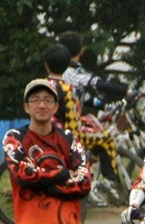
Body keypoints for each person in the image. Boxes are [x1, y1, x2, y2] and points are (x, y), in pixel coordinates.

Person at [1, 79, 91, 224]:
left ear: (55, 107)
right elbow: (22, 174)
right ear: (26, 107)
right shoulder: (14, 138)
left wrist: (43, 184)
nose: (41, 104)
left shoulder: (70, 140)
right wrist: (63, 175)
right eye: (35, 100)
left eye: (47, 100)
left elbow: (84, 183)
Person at [43, 43, 121, 201]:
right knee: (106, 139)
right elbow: (73, 124)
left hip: (44, 133)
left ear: (46, 65)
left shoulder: (41, 85)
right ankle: (109, 180)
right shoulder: (68, 89)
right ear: (67, 67)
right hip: (66, 137)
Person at [58, 31, 131, 111]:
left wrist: (106, 107)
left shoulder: (59, 70)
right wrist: (127, 91)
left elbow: (83, 97)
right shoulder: (74, 72)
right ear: (81, 50)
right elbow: (100, 84)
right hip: (67, 121)